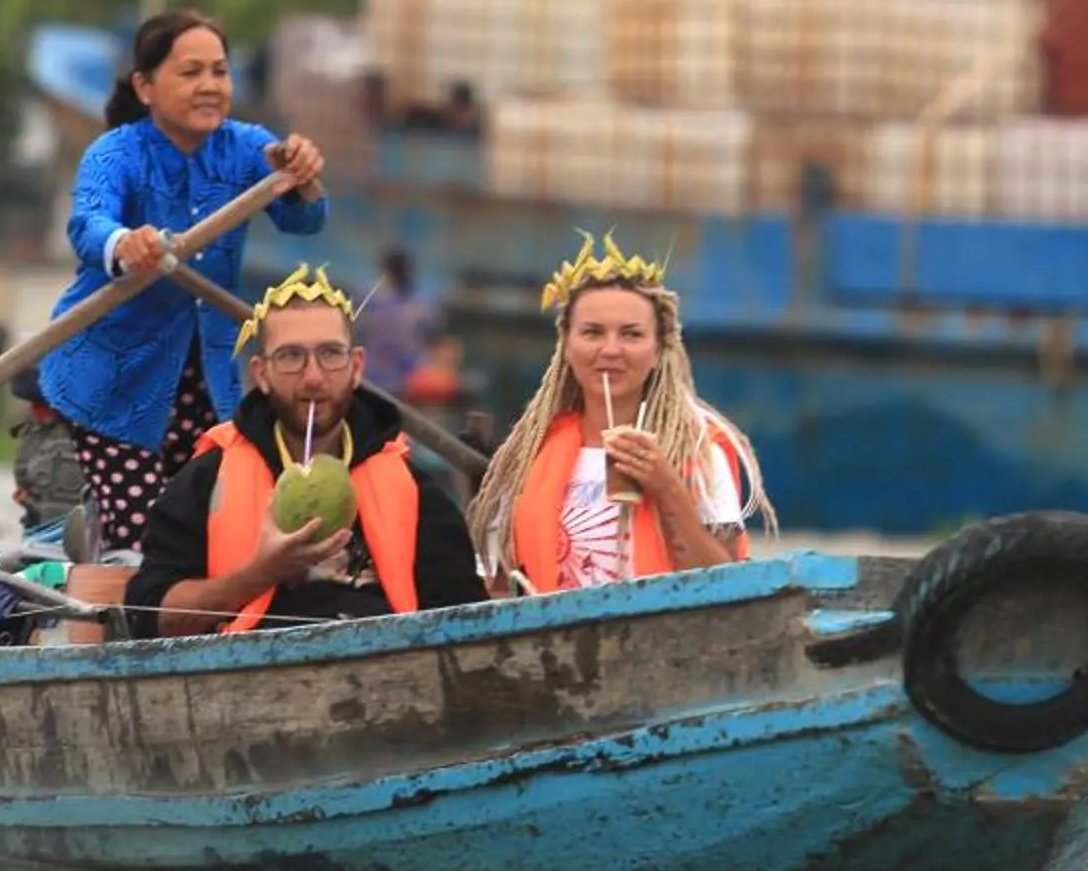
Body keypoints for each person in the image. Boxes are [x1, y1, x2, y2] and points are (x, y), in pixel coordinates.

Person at [35, 10, 330, 553]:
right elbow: (87, 224)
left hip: (206, 372)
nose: (210, 86)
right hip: (112, 379)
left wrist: (302, 174)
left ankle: (210, 622)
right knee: (143, 538)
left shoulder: (246, 148)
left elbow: (304, 220)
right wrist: (125, 244)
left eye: (220, 72)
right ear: (146, 87)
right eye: (191, 72)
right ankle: (142, 616)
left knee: (214, 524)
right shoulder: (116, 152)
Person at [126, 265, 486, 635]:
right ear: (261, 374)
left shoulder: (412, 490)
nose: (313, 377)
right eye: (291, 356)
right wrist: (259, 574)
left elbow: (467, 623)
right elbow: (147, 614)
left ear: (356, 367)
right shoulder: (207, 478)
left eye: (330, 354)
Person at [467, 234, 774, 596]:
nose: (611, 350)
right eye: (593, 332)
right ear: (566, 344)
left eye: (631, 334)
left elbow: (728, 588)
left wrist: (668, 488)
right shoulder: (527, 458)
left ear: (658, 349)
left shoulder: (699, 452)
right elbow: (498, 591)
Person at [356, 246, 438, 387]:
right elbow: (434, 341)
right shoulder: (423, 307)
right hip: (410, 380)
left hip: (375, 377)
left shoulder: (368, 301)